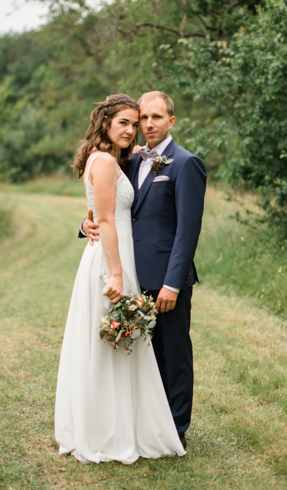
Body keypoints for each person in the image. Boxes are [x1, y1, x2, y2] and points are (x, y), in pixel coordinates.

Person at [55, 94, 185, 464]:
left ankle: (125, 423)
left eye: (136, 122)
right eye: (125, 122)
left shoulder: (116, 161)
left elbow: (99, 212)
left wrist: (87, 223)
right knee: (112, 344)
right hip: (112, 262)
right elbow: (107, 219)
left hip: (120, 256)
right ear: (106, 123)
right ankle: (107, 430)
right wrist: (115, 271)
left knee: (120, 344)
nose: (132, 129)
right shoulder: (106, 161)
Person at [82, 91, 207, 448]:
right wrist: (85, 224)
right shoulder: (131, 160)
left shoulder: (185, 163)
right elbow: (110, 207)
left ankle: (176, 429)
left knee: (174, 353)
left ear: (171, 120)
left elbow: (187, 230)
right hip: (135, 275)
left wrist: (173, 284)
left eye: (155, 118)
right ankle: (148, 424)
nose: (147, 125)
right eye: (142, 119)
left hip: (166, 278)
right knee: (142, 357)